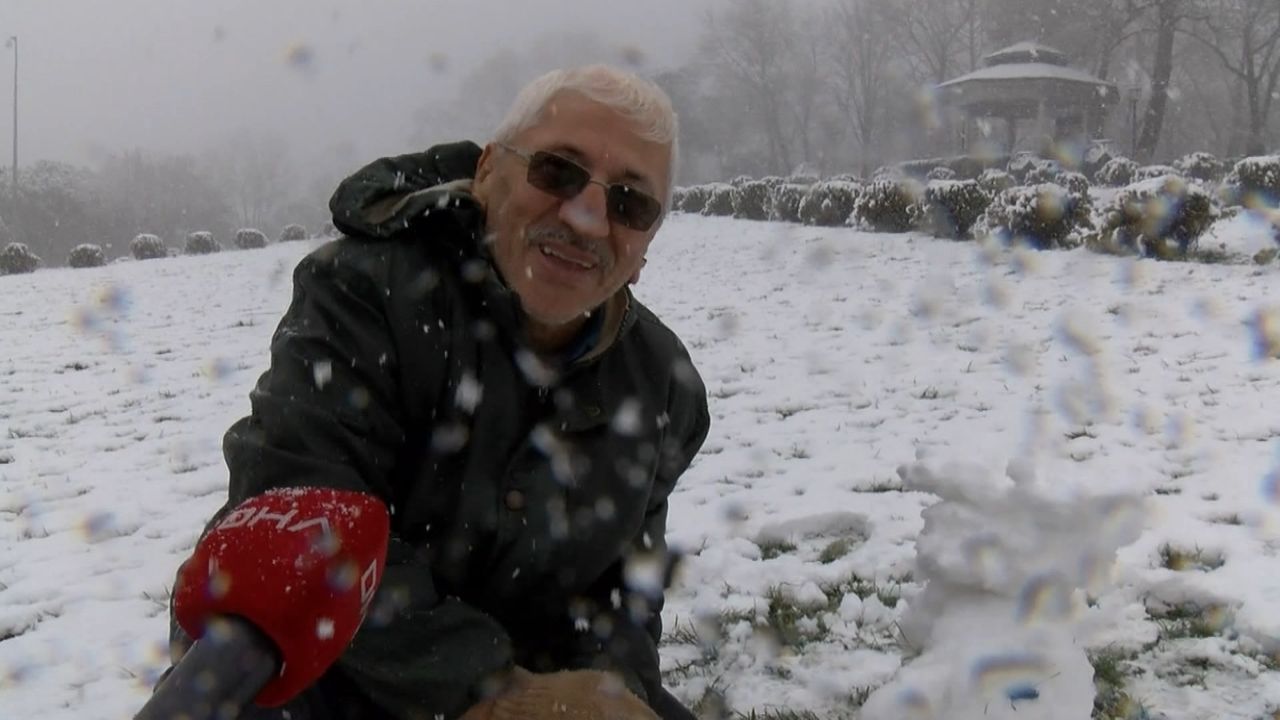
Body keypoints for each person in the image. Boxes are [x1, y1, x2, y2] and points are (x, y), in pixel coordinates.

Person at [165, 64, 710, 720]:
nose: (589, 217)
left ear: (646, 245)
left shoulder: (663, 387)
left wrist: (613, 692)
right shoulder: (363, 293)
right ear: (487, 171)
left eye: (630, 202)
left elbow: (622, 595)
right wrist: (495, 695)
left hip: (529, 670)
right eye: (558, 171)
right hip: (329, 671)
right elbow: (299, 511)